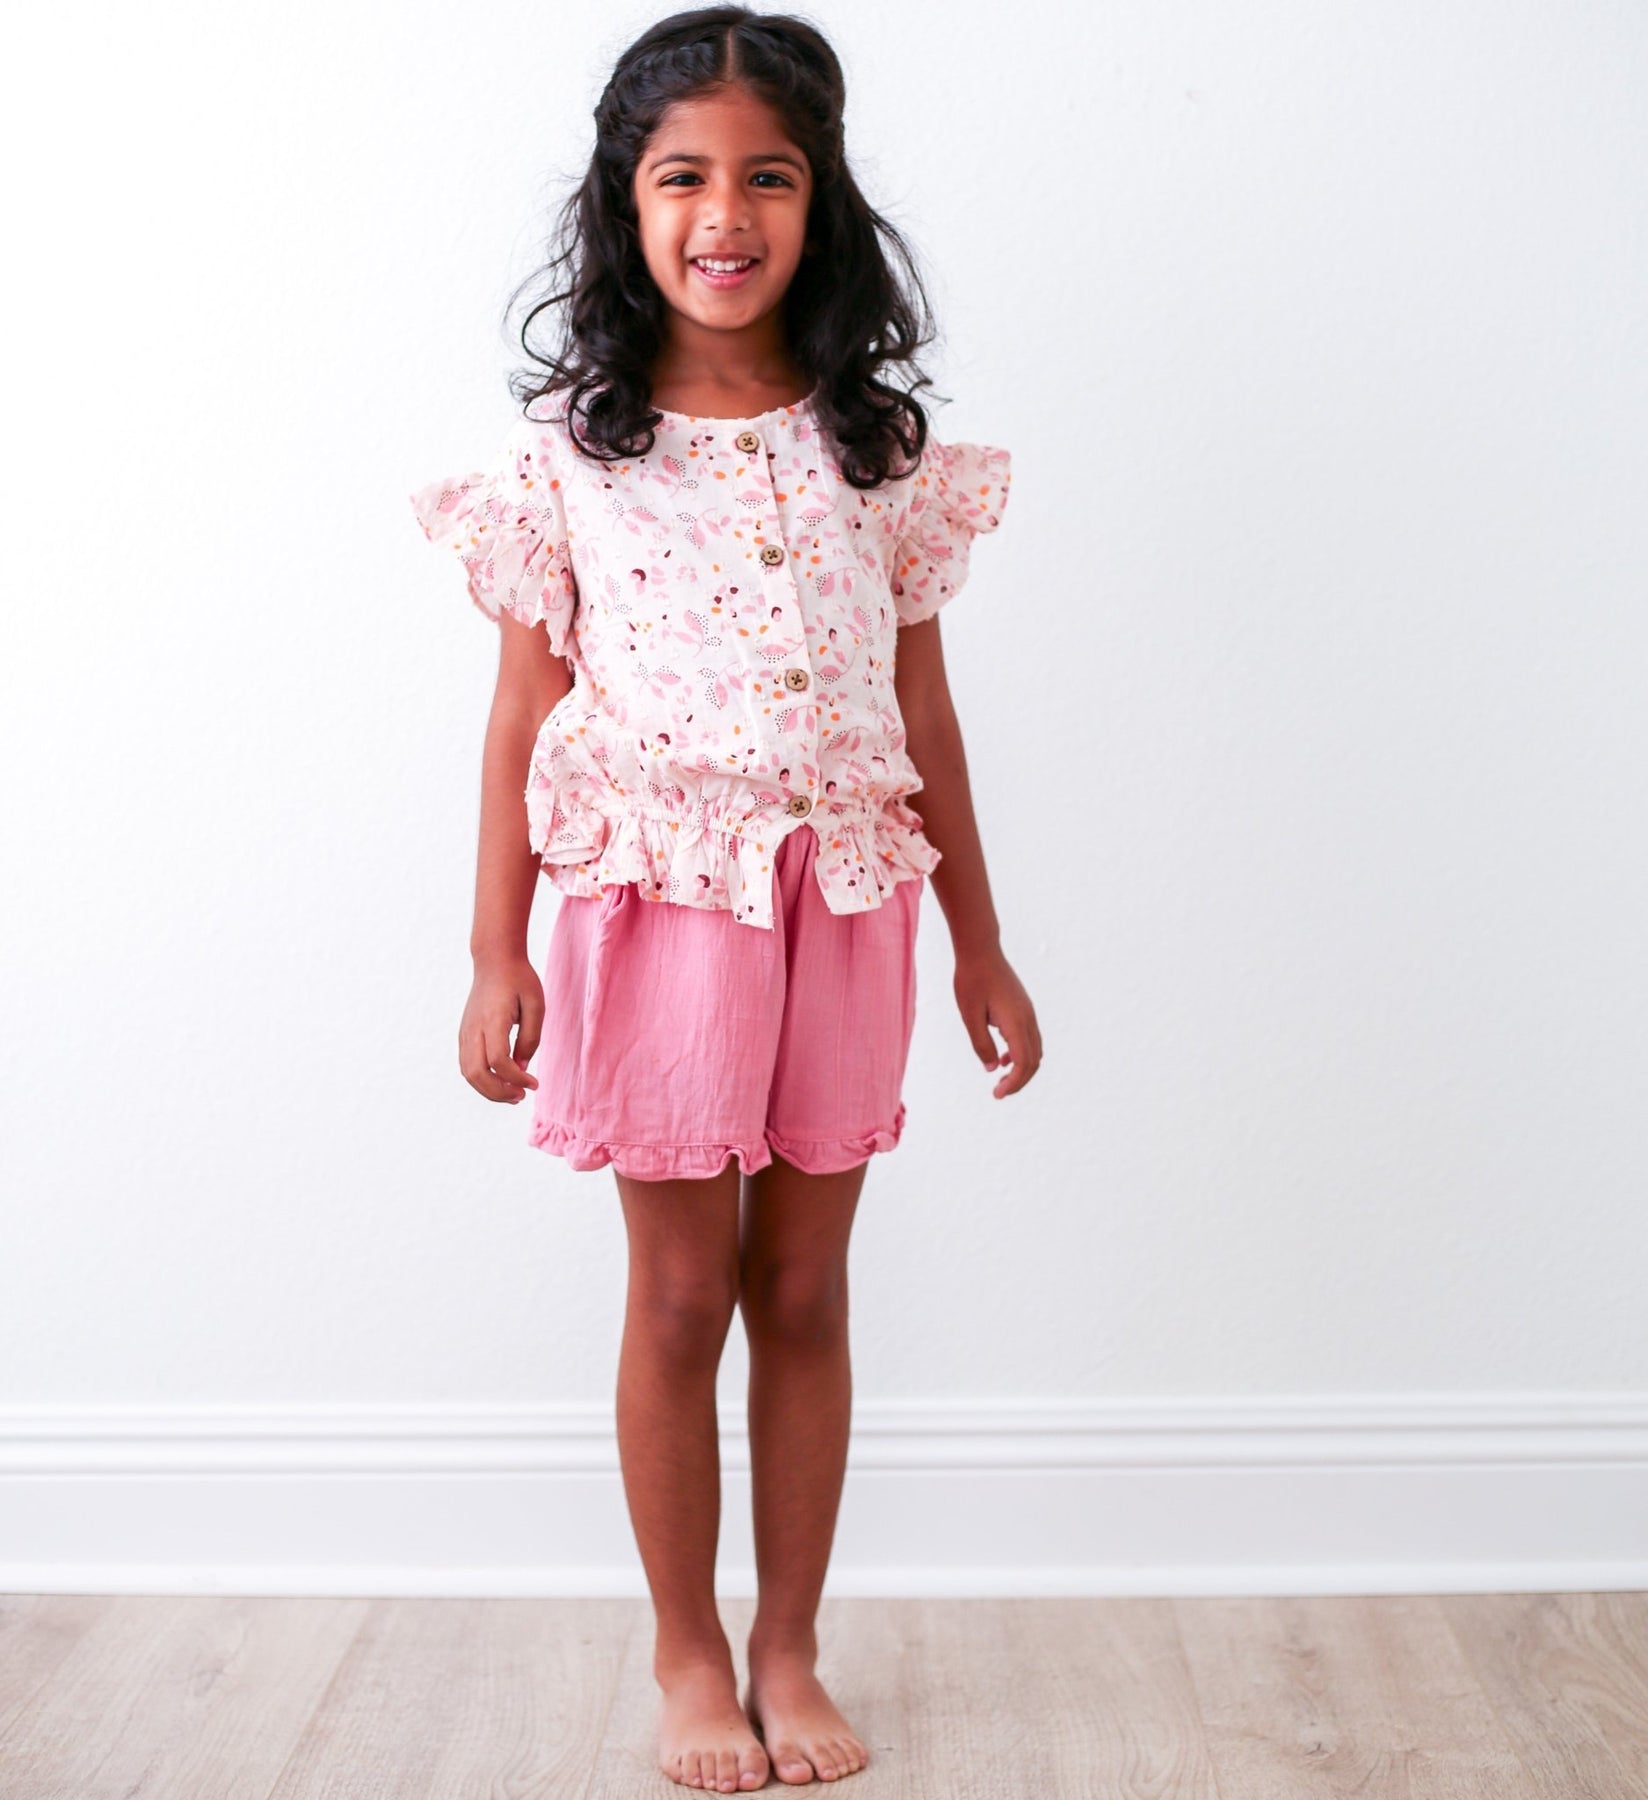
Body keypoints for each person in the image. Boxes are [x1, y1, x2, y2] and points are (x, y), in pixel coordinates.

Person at [410, 7, 1042, 1790]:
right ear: (626, 204)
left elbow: (923, 714)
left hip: (847, 895)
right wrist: (494, 948)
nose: (724, 213)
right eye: (683, 176)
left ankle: (789, 1644)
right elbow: (522, 714)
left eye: (768, 176)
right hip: (658, 899)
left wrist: (982, 940)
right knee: (683, 1298)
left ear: (820, 201)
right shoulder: (571, 455)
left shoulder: (877, 448)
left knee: (809, 1291)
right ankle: (689, 1656)